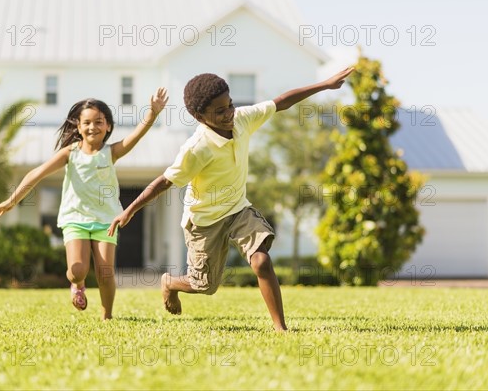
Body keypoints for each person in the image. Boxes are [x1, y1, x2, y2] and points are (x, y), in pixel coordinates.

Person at [108, 68, 353, 331]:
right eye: (220, 111)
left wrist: (325, 85)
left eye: (230, 105)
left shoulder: (242, 119)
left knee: (261, 261)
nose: (229, 114)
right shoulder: (196, 148)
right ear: (199, 116)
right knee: (204, 286)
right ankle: (169, 283)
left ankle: (281, 328)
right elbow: (165, 181)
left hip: (238, 209)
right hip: (204, 219)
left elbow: (281, 102)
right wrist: (130, 210)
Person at [0, 88, 168, 319]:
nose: (92, 127)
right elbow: (38, 173)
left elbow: (137, 134)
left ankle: (107, 316)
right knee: (77, 271)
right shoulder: (70, 153)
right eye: (87, 122)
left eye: (98, 122)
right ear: (78, 127)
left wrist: (152, 114)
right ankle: (77, 285)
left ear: (108, 127)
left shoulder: (111, 152)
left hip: (106, 220)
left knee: (105, 273)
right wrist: (12, 200)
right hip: (75, 219)